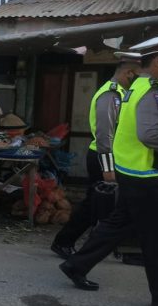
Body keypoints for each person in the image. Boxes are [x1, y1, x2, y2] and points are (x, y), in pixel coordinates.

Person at [60, 31, 158, 306]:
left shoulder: (139, 87)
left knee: (119, 224)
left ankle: (76, 264)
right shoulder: (150, 90)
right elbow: (146, 134)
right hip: (146, 174)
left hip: (133, 170)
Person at [51, 52, 141, 259]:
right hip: (102, 156)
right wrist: (108, 168)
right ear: (129, 73)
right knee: (94, 204)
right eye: (139, 75)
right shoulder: (111, 94)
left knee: (101, 205)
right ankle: (65, 242)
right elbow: (104, 134)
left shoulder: (121, 93)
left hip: (110, 157)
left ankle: (86, 245)